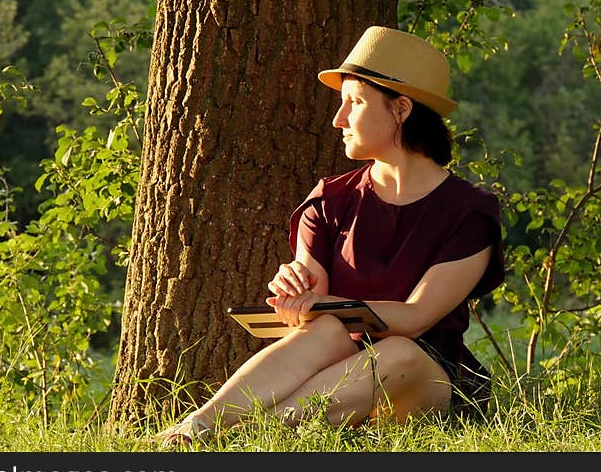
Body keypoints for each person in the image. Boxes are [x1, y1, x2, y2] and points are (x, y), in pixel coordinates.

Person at [154, 25, 505, 447]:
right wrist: (296, 290)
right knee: (325, 330)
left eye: (354, 103)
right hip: (338, 372)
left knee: (396, 351)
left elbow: (415, 318)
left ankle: (252, 439)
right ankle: (195, 430)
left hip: (425, 384)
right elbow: (310, 309)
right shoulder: (330, 200)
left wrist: (326, 304)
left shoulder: (468, 212)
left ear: (401, 110)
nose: (338, 119)